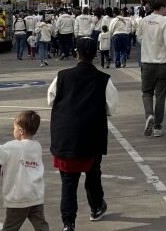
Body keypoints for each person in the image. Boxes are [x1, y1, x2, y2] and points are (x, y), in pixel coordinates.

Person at [48, 38, 117, 231]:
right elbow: (111, 107)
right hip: (91, 135)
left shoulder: (62, 76)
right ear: (96, 54)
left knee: (68, 181)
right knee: (93, 173)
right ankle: (96, 207)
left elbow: (50, 99)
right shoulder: (104, 79)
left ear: (77, 54)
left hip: (65, 136)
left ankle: (68, 223)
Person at [138, 0, 166, 137]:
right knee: (160, 96)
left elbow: (139, 37)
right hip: (163, 64)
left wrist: (148, 45)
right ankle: (157, 127)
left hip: (147, 63)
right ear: (161, 8)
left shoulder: (144, 21)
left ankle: (149, 115)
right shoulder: (165, 22)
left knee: (147, 92)